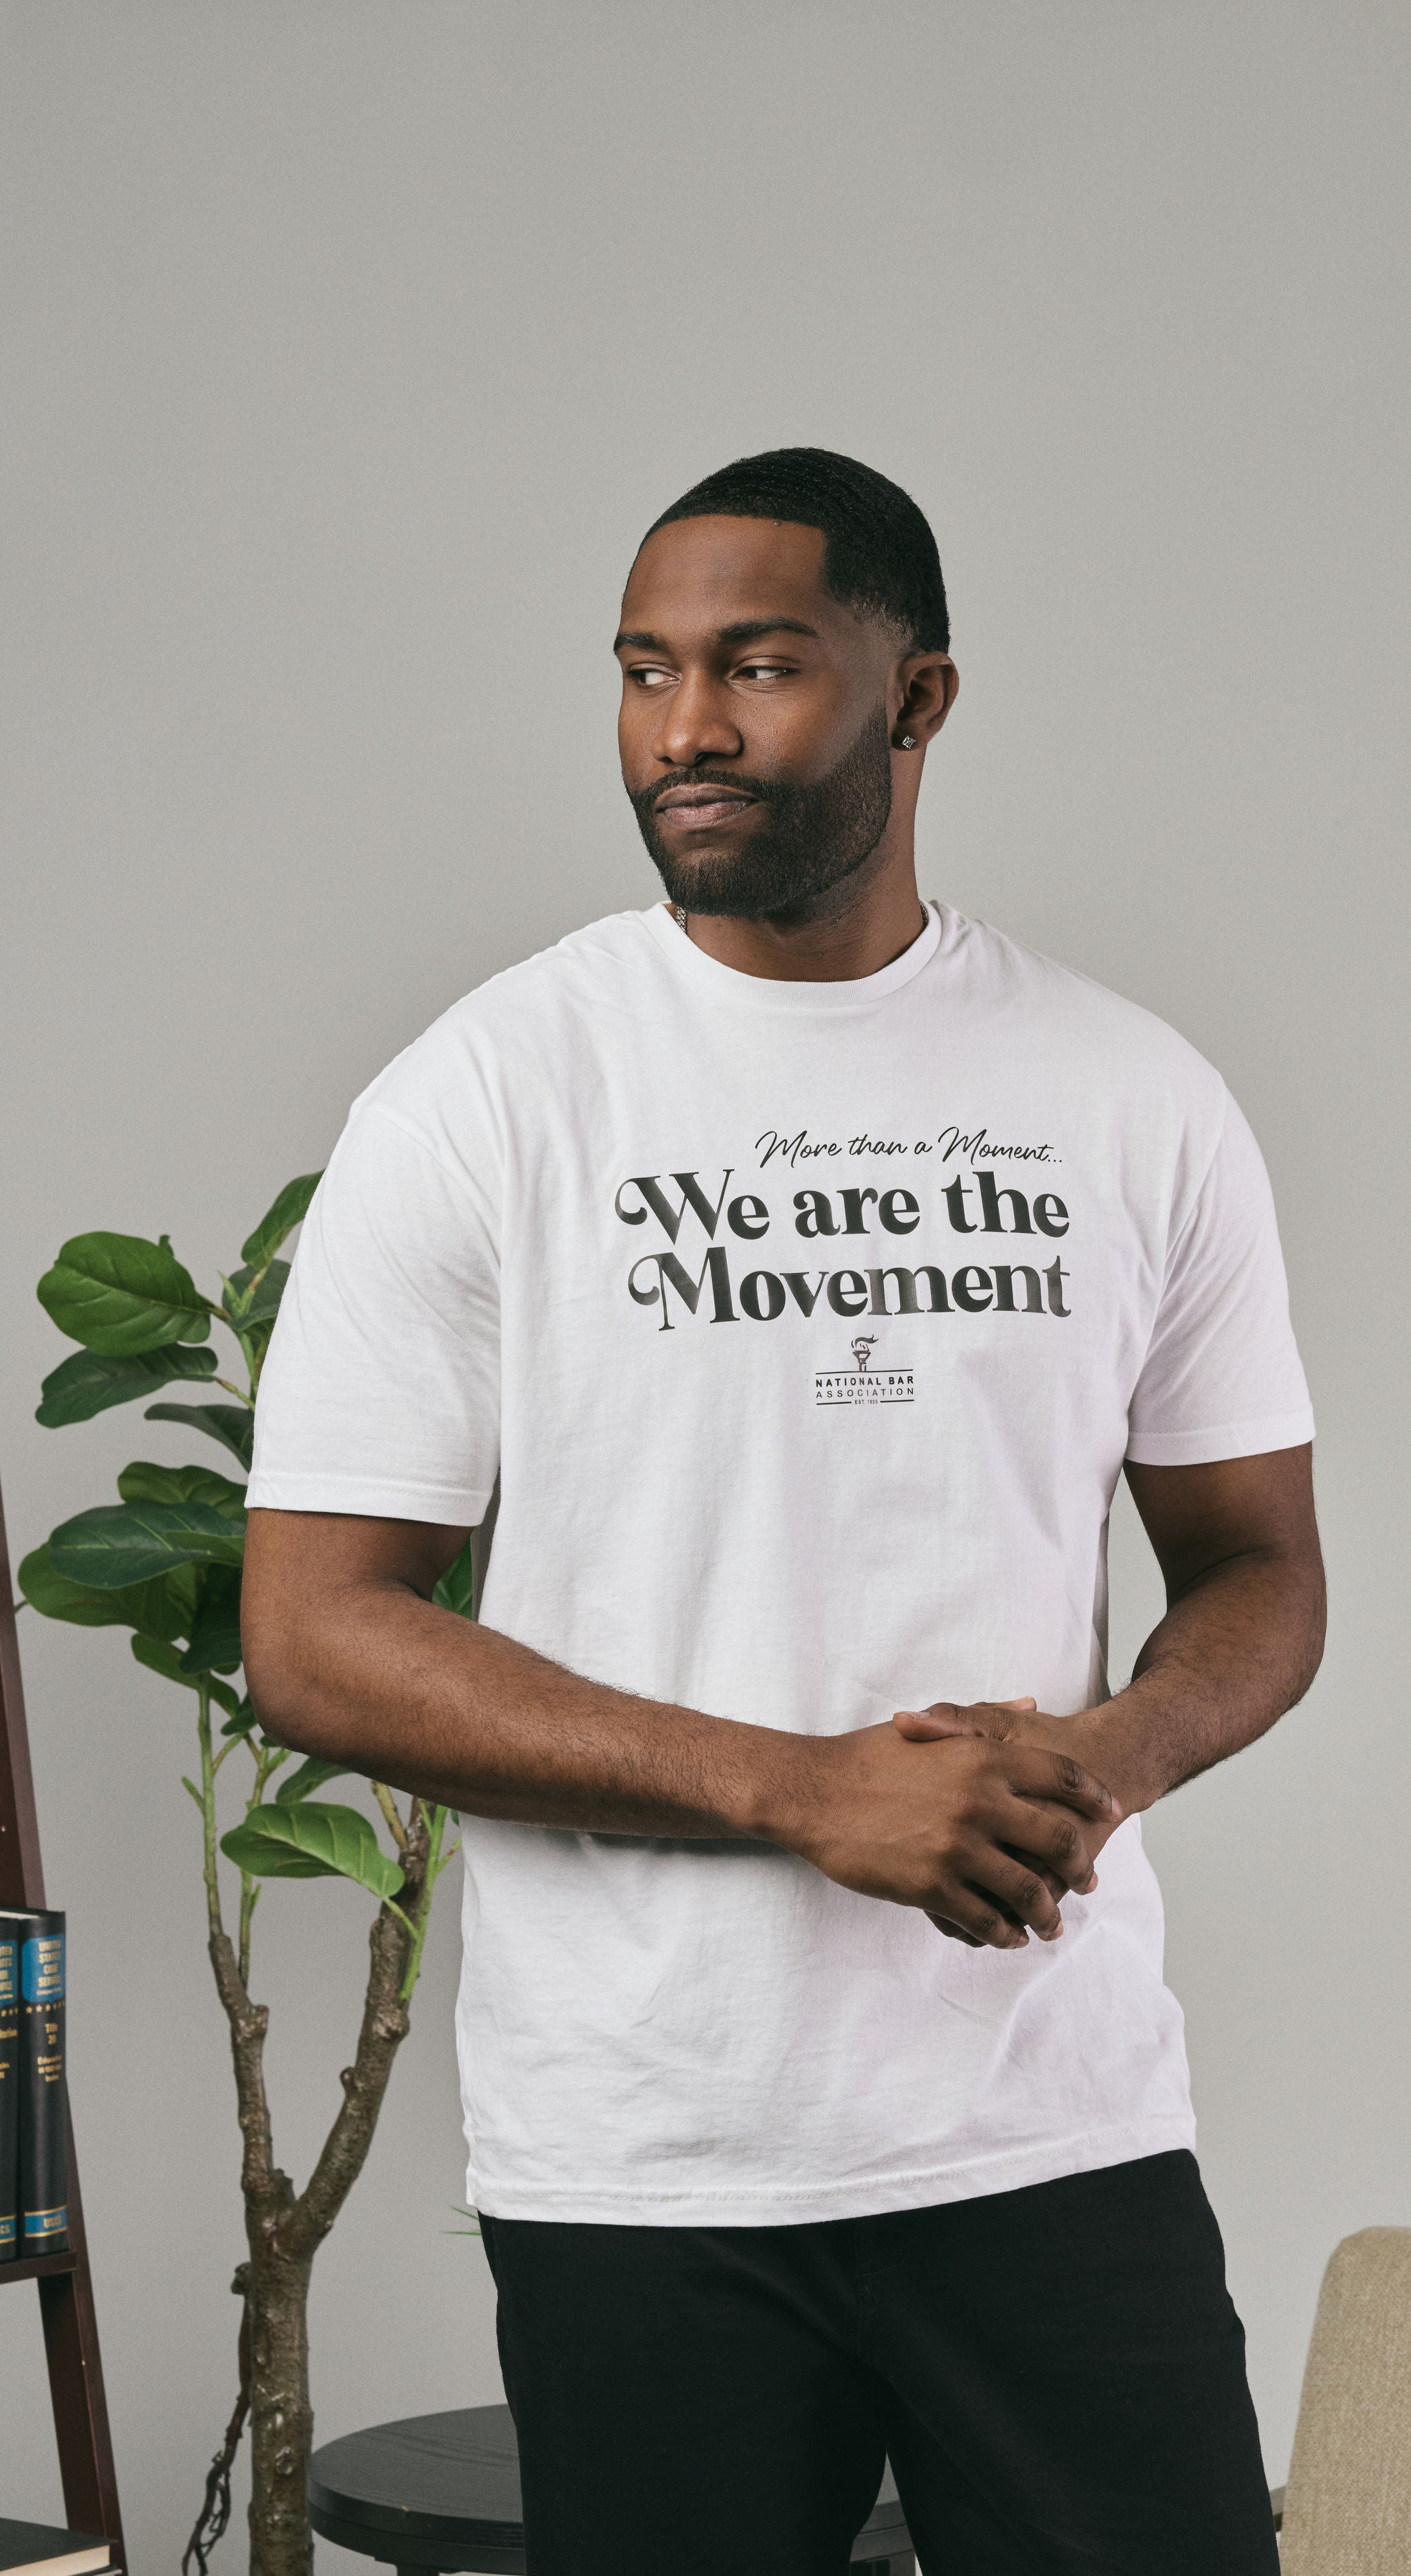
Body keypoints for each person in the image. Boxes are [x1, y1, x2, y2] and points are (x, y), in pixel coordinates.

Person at [243, 447, 1325, 2575]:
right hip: (655, 2156)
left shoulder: (1131, 1096)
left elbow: (1262, 1567)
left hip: (1048, 2122)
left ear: (917, 701)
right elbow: (315, 1631)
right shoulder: (486, 1097)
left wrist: (1103, 1761)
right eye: (645, 673)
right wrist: (800, 1792)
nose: (687, 732)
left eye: (758, 666)